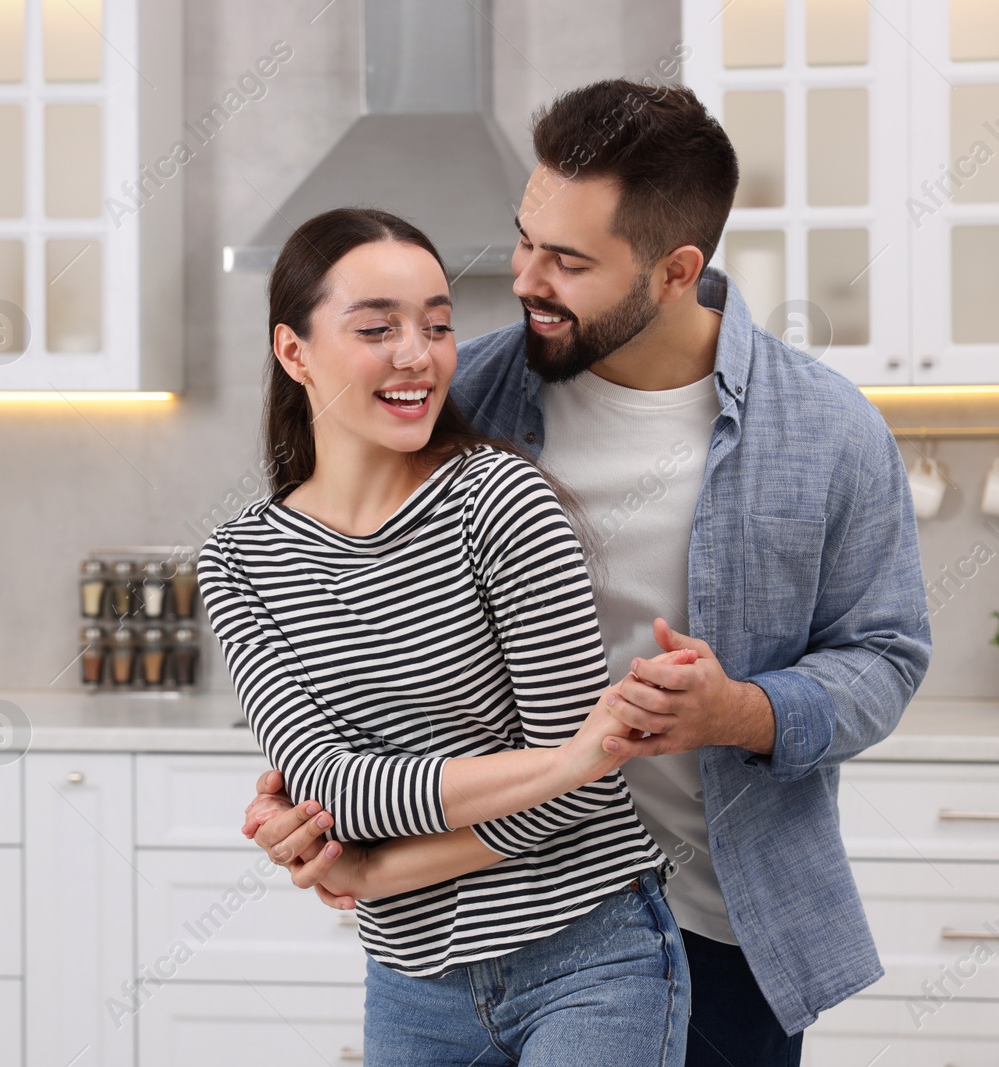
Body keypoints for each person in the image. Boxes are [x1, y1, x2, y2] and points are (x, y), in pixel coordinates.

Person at [242, 80, 931, 1067]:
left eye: (567, 260)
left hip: (726, 928)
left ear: (673, 270)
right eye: (525, 238)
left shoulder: (825, 428)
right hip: (494, 916)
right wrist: (313, 798)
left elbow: (885, 655)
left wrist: (739, 708)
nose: (524, 277)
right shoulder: (461, 390)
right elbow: (336, 597)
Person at [197, 205, 694, 1066]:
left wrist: (375, 872)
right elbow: (329, 793)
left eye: (436, 324)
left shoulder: (499, 501)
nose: (416, 356)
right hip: (413, 984)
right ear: (294, 352)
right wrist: (565, 760)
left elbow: (573, 799)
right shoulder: (239, 560)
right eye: (376, 328)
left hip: (593, 954)